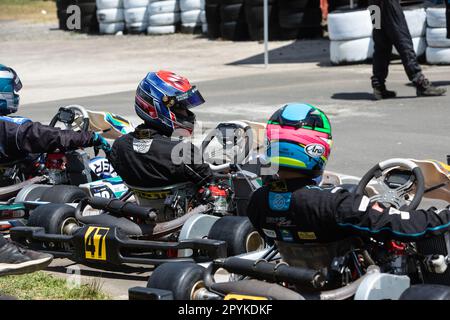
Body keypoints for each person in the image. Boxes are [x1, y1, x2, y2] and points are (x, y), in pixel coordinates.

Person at [247, 103, 450, 281]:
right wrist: (445, 215)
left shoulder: (257, 201)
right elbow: (407, 226)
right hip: (344, 284)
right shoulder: (334, 204)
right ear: (317, 149)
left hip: (299, 280)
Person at [0, 64, 111, 276]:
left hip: (12, 178)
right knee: (99, 167)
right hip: (19, 190)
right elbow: (49, 136)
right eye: (13, 91)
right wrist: (90, 137)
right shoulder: (10, 127)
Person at [108, 70, 212, 189]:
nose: (186, 114)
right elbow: (211, 183)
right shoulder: (181, 152)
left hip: (140, 205)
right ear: (155, 108)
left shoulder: (120, 147)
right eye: (180, 108)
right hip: (183, 206)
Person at [369, 0, 447, 99]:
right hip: (388, 3)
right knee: (402, 39)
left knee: (381, 42)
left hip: (374, 4)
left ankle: (378, 85)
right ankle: (419, 81)